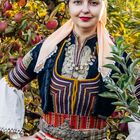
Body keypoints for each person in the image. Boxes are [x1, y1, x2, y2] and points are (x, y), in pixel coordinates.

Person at [0, 0, 139, 139]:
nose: (85, 10)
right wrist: (16, 137)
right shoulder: (47, 49)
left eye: (94, 3)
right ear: (68, 7)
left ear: (104, 7)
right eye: (77, 2)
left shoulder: (117, 56)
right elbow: (11, 83)